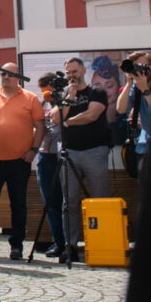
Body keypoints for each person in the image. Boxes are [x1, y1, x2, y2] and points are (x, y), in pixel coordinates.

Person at [51, 56, 111, 263]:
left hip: (95, 151)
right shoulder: (64, 95)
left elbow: (91, 115)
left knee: (99, 199)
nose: (71, 76)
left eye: (74, 71)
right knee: (70, 202)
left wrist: (67, 123)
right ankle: (71, 246)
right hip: (70, 153)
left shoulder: (97, 92)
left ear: (83, 71)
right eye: (68, 72)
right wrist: (68, 98)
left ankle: (102, 244)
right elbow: (55, 119)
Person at [0, 62, 44, 260]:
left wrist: (34, 150)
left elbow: (40, 126)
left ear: (18, 77)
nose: (7, 77)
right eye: (3, 73)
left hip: (20, 161)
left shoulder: (30, 98)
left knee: (18, 205)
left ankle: (17, 245)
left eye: (11, 74)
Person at [35, 73, 66, 258]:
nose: (47, 94)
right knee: (51, 203)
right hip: (45, 155)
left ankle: (70, 243)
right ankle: (58, 242)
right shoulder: (41, 103)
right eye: (44, 92)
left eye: (48, 91)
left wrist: (57, 102)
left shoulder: (66, 100)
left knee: (67, 202)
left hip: (63, 155)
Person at [115, 50, 151, 173]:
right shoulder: (136, 84)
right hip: (145, 147)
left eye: (141, 66)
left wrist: (145, 89)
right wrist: (129, 84)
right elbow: (121, 109)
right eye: (135, 67)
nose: (138, 70)